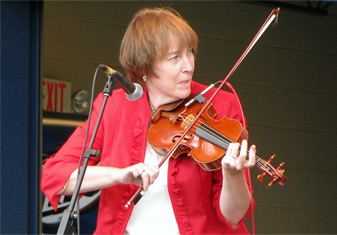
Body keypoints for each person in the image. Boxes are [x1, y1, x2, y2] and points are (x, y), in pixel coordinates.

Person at [41, 7, 256, 235]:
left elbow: (234, 217)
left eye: (190, 52)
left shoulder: (219, 105)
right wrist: (118, 175)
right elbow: (57, 175)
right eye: (175, 58)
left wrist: (233, 175)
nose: (188, 66)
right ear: (145, 66)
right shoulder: (114, 106)